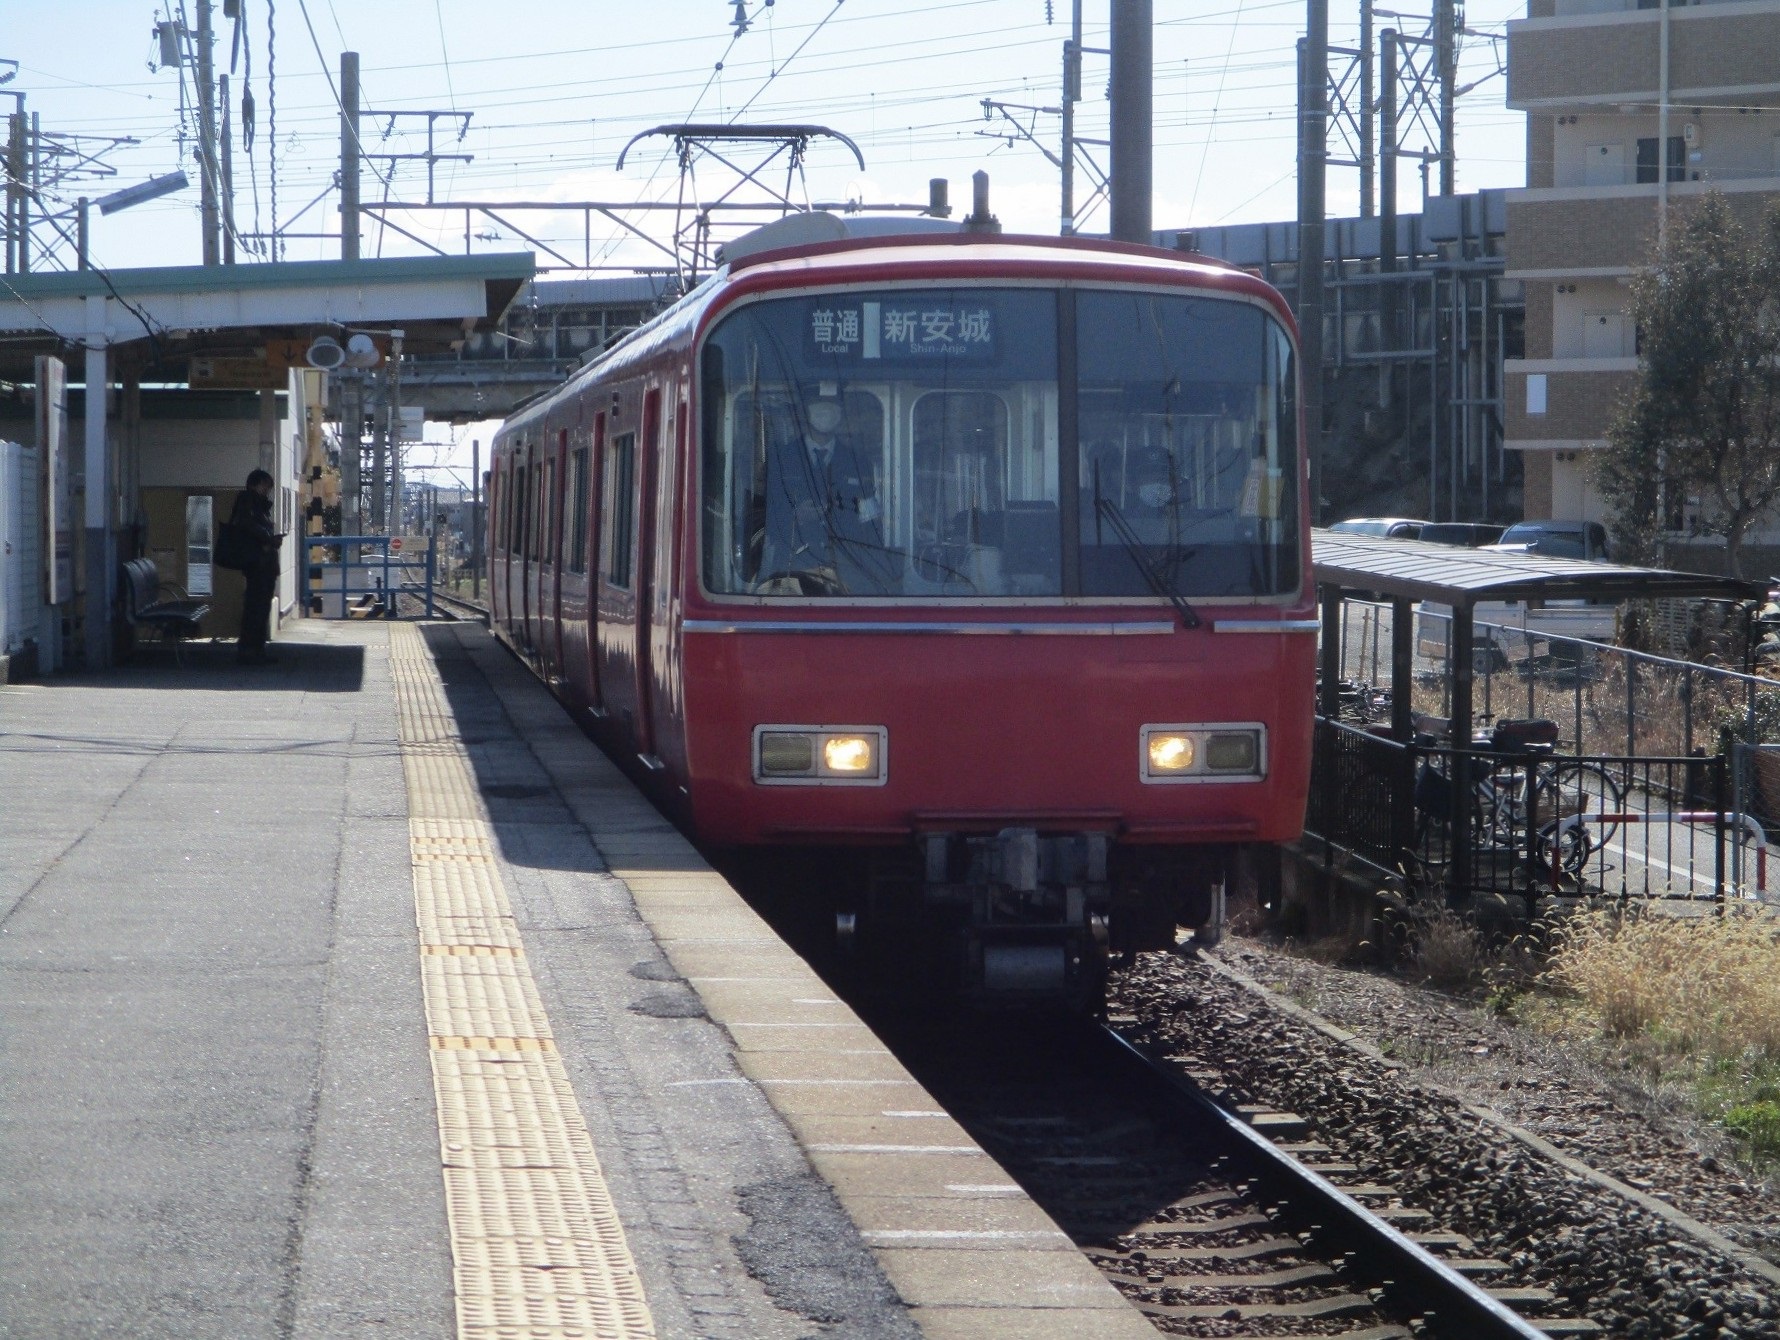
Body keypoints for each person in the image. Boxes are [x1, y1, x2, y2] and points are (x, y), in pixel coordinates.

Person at [757, 392, 887, 593]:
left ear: (841, 413)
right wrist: (795, 517)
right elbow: (763, 515)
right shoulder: (781, 458)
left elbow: (870, 520)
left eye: (832, 405)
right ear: (804, 412)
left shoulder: (859, 462)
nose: (825, 411)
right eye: (818, 404)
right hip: (792, 567)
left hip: (847, 565)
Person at [230, 468, 282, 664]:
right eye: (266, 486)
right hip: (258, 563)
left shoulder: (255, 505)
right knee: (256, 607)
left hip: (262, 563)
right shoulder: (248, 502)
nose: (267, 491)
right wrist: (269, 538)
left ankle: (254, 649)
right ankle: (250, 650)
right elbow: (248, 526)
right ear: (256, 484)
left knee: (258, 607)